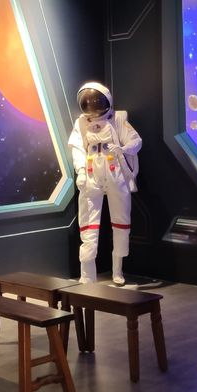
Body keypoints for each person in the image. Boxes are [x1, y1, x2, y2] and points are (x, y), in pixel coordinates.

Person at [68, 81, 142, 285]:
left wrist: (124, 149)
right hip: (91, 173)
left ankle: (117, 270)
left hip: (115, 172)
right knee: (88, 223)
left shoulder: (118, 119)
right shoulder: (81, 123)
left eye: (97, 102)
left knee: (121, 220)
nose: (92, 107)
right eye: (88, 103)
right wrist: (80, 171)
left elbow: (136, 141)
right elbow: (77, 149)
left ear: (107, 100)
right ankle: (87, 275)